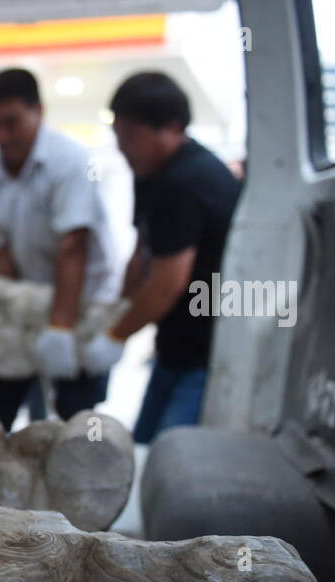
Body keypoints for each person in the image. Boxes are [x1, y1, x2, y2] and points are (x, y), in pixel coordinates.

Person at [80, 72, 241, 443]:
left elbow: (168, 281)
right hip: (174, 346)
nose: (123, 149)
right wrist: (115, 310)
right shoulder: (150, 172)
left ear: (171, 128)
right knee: (142, 445)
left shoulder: (187, 180)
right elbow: (142, 253)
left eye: (131, 137)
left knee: (172, 453)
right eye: (118, 137)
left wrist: (115, 336)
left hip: (208, 352)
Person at [0, 68, 119, 431]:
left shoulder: (69, 161)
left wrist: (60, 328)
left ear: (39, 110)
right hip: (28, 295)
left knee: (77, 416)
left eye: (12, 122)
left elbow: (74, 247)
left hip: (81, 301)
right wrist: (19, 315)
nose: (2, 135)